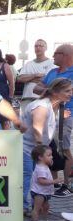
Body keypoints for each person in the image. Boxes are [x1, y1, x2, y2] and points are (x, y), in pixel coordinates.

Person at [21, 78, 72, 213]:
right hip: (29, 150)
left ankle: (34, 207)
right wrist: (43, 153)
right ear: (55, 92)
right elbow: (38, 130)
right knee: (28, 179)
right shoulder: (42, 107)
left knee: (35, 179)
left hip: (35, 150)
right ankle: (24, 208)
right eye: (67, 91)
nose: (70, 94)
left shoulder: (53, 106)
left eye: (71, 91)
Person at [33, 44, 73, 197]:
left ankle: (67, 184)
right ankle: (54, 181)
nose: (53, 56)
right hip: (49, 114)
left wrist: (50, 92)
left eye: (56, 53)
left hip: (66, 115)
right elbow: (36, 88)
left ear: (65, 55)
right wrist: (52, 92)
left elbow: (67, 93)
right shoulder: (52, 72)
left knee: (64, 148)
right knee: (50, 146)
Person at [28, 145, 60, 221]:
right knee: (37, 208)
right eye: (49, 155)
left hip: (44, 192)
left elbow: (51, 163)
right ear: (40, 157)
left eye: (51, 155)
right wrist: (54, 181)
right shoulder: (41, 169)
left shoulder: (44, 165)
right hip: (39, 192)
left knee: (46, 207)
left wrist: (50, 161)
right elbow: (41, 181)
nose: (51, 157)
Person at [18, 39, 56, 111]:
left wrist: (28, 79)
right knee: (25, 122)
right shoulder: (28, 64)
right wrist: (35, 75)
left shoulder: (51, 63)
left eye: (41, 46)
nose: (38, 48)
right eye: (36, 46)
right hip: (27, 98)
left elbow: (47, 80)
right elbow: (20, 78)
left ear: (46, 48)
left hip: (43, 99)